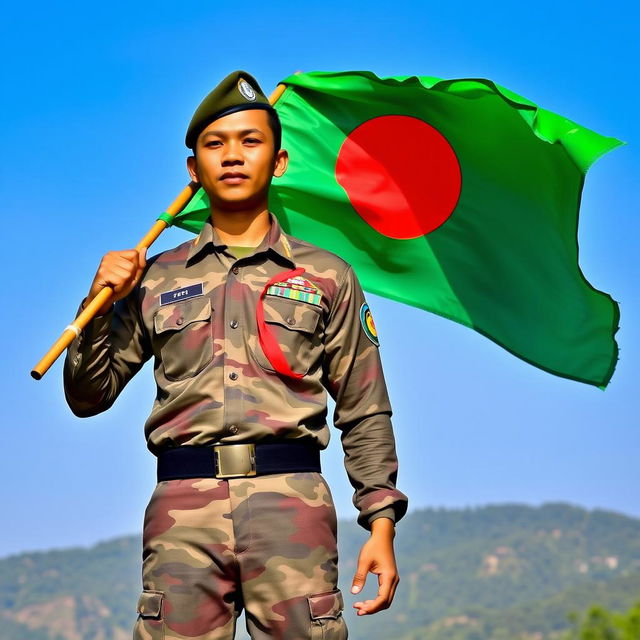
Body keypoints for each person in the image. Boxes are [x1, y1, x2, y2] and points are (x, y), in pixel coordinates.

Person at [63, 70, 408, 640]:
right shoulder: (153, 277)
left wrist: (380, 521)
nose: (232, 156)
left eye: (251, 141)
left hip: (292, 504)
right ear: (193, 170)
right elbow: (88, 396)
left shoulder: (326, 277)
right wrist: (98, 302)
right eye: (215, 144)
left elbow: (364, 407)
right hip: (182, 513)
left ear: (278, 162)